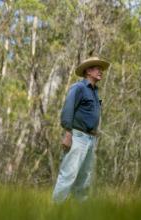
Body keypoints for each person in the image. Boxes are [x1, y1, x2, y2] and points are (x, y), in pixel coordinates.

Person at [52, 56, 110, 203]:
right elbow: (68, 110)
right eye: (97, 68)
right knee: (68, 175)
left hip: (90, 139)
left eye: (101, 69)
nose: (100, 71)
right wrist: (67, 133)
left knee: (85, 179)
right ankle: (55, 211)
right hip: (77, 137)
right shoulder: (78, 88)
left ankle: (80, 214)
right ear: (88, 71)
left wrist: (95, 133)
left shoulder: (95, 92)